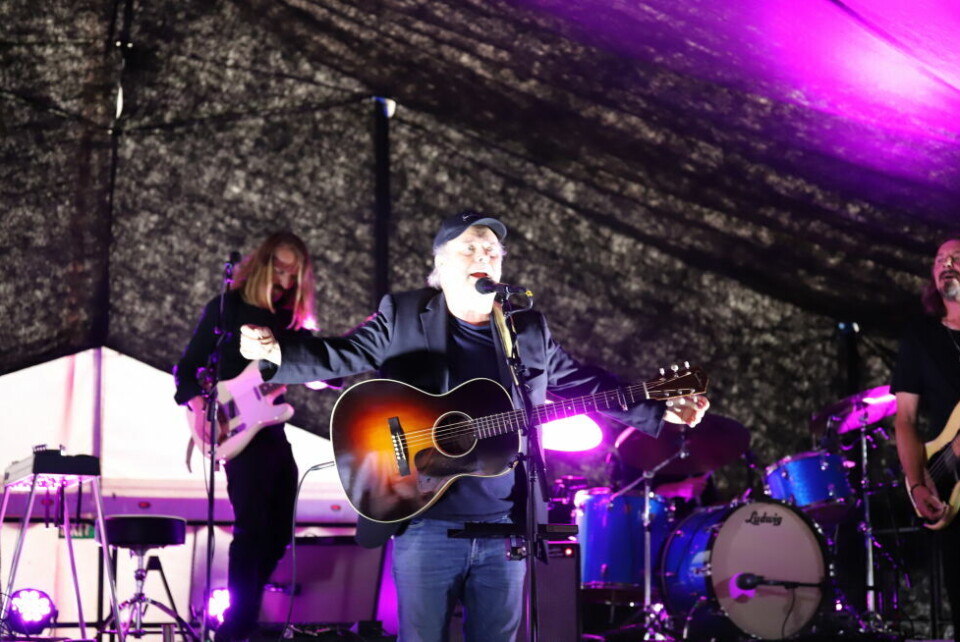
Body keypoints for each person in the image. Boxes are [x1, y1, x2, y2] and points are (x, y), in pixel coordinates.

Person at [239, 210, 709, 641]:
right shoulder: (403, 314)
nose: (483, 256)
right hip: (424, 519)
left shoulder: (526, 329)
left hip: (507, 527)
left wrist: (655, 406)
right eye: (470, 248)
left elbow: (582, 382)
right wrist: (275, 353)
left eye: (492, 252)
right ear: (440, 267)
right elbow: (340, 354)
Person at [174, 232, 317, 642]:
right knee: (252, 528)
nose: (287, 280)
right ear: (263, 263)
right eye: (281, 269)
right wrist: (202, 410)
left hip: (271, 429)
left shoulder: (290, 321)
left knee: (277, 532)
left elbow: (322, 367)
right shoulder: (227, 309)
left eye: (295, 273)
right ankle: (237, 628)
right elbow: (186, 370)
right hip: (232, 430)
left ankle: (242, 618)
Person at [892, 233, 960, 640]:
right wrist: (917, 481)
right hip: (949, 486)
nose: (945, 263)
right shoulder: (921, 336)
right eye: (939, 259)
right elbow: (905, 418)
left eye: (956, 256)